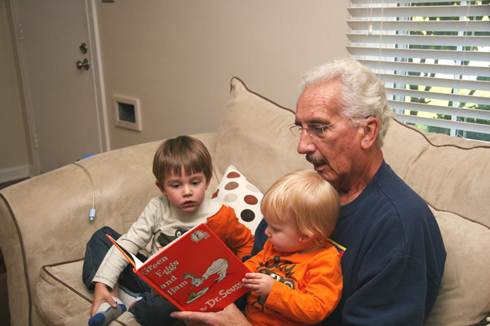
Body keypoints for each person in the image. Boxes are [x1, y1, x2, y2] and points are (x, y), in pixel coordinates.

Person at [171, 58, 446, 325]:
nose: (302, 147)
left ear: (367, 131)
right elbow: (253, 272)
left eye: (319, 128)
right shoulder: (303, 195)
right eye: (300, 128)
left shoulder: (400, 227)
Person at [82, 135, 254, 326]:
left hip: (186, 292)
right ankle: (111, 297)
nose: (187, 191)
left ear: (207, 180)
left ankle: (134, 304)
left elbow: (247, 244)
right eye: (176, 185)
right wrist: (103, 282)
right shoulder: (157, 207)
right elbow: (129, 243)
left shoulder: (220, 215)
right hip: (152, 280)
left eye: (195, 182)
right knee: (101, 237)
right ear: (162, 187)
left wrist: (238, 273)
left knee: (164, 311)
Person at [242, 169, 343, 325]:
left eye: (275, 228)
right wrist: (236, 273)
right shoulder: (274, 245)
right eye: (267, 223)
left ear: (305, 236)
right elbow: (251, 267)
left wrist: (273, 290)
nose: (266, 232)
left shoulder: (324, 262)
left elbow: (316, 309)